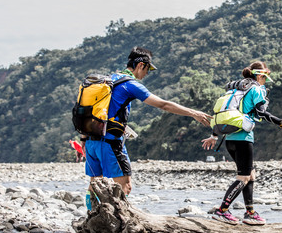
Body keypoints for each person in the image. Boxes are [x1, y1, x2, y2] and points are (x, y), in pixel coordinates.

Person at [82, 47, 211, 210]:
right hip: (110, 144)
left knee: (95, 184)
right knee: (125, 186)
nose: (147, 74)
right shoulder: (130, 84)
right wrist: (193, 113)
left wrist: (83, 139)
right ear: (141, 65)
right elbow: (163, 104)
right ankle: (116, 223)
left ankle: (91, 219)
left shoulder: (107, 80)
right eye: (148, 69)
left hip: (91, 141)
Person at [202, 61, 282, 225]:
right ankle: (222, 211)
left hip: (230, 140)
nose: (266, 82)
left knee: (250, 175)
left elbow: (226, 113)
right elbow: (262, 113)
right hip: (243, 140)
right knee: (244, 177)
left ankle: (250, 212)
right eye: (265, 79)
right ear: (261, 75)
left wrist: (214, 136)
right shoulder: (256, 89)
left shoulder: (237, 89)